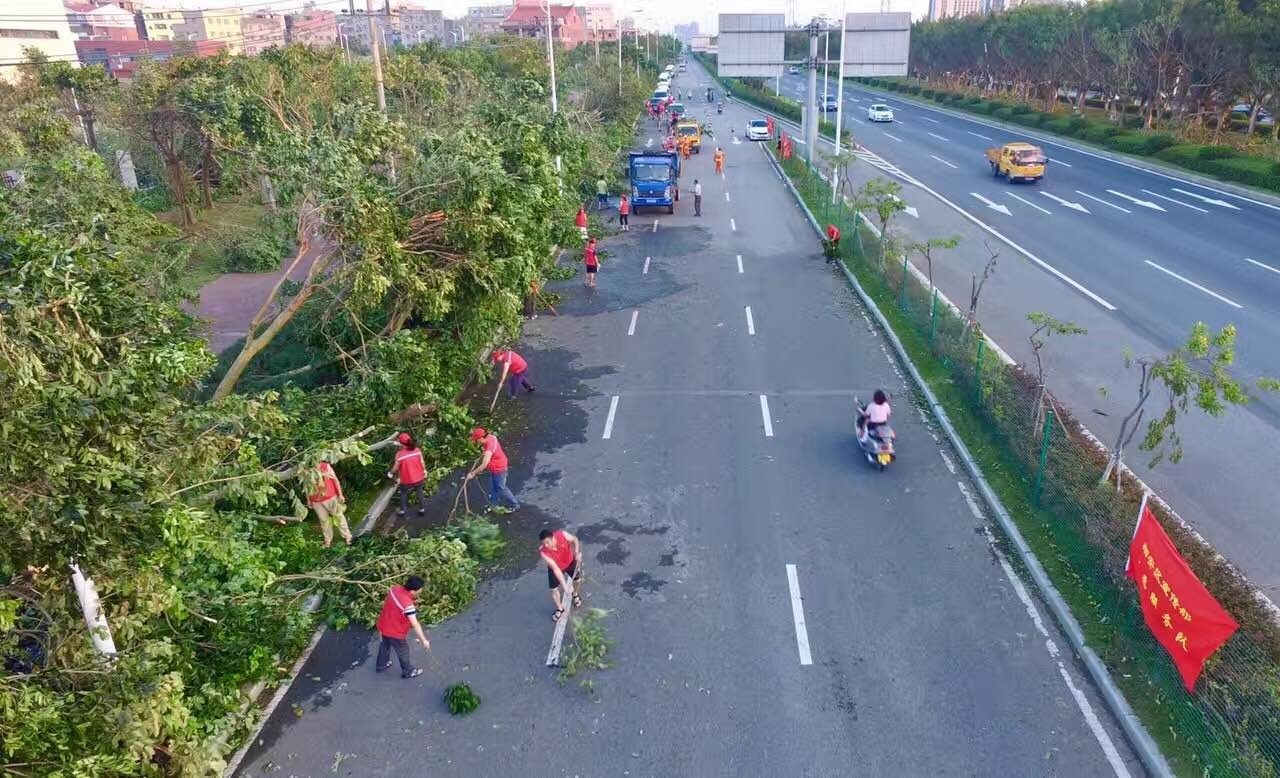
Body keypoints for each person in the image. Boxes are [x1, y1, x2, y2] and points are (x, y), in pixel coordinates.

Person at [375, 575, 430, 679]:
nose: (421, 592)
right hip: (395, 632)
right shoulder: (408, 605)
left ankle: (381, 665)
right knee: (403, 651)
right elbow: (415, 624)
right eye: (420, 590)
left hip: (383, 624)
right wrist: (424, 640)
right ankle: (408, 672)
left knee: (384, 645)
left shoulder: (394, 589)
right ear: (413, 591)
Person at [466, 428, 520, 511]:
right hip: (495, 466)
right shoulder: (491, 437)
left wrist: (472, 474)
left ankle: (514, 504)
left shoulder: (489, 449)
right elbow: (492, 445)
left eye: (477, 440)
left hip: (499, 468)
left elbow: (484, 465)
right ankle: (494, 505)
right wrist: (483, 454)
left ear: (481, 438)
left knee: (500, 488)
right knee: (493, 486)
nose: (477, 442)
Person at [539, 528, 583, 622]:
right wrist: (564, 586)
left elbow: (575, 539)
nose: (546, 546)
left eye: (547, 542)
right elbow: (556, 569)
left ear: (553, 538)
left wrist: (577, 553)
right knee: (554, 590)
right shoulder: (543, 552)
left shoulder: (562, 535)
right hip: (556, 567)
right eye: (543, 544)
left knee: (577, 580)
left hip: (570, 562)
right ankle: (560, 608)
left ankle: (575, 594)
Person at [307, 460, 351, 548]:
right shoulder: (306, 470)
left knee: (339, 517)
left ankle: (347, 536)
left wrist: (340, 494)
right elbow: (307, 487)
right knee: (324, 521)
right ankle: (328, 539)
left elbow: (335, 480)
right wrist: (308, 500)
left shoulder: (325, 467)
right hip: (316, 501)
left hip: (331, 498)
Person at [388, 432, 427, 517]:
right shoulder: (417, 450)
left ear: (401, 443)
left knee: (403, 493)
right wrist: (424, 470)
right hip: (419, 477)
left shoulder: (399, 455)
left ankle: (402, 511)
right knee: (419, 492)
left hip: (406, 479)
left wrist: (390, 473)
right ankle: (422, 509)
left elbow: (395, 467)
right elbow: (422, 462)